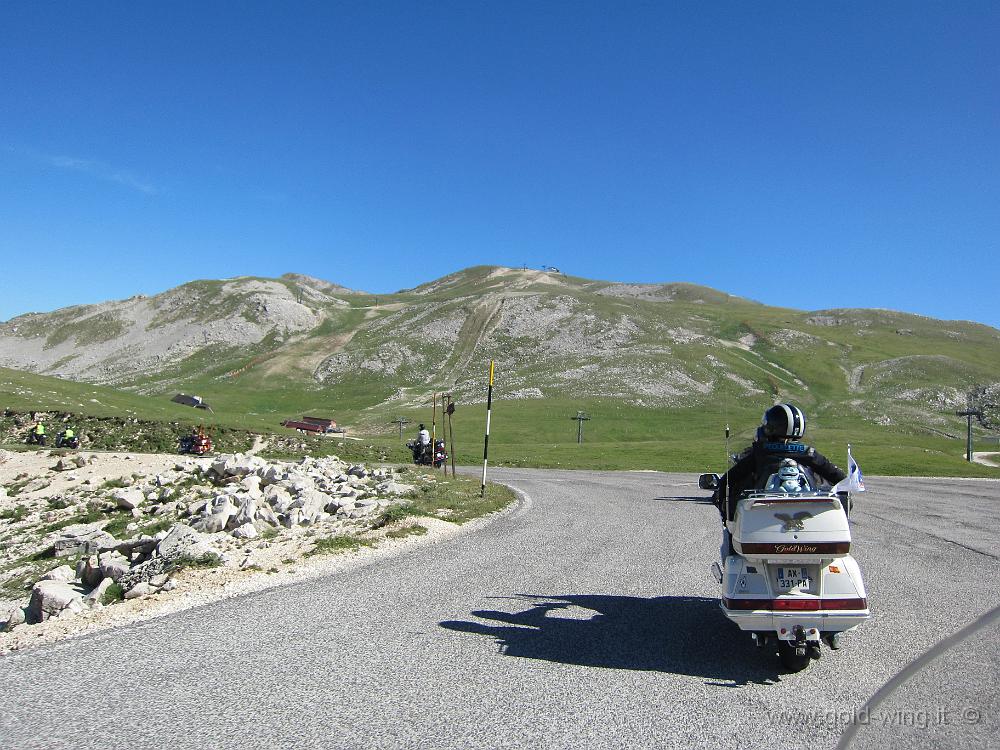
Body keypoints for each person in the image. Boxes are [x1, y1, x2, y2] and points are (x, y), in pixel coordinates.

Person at [715, 403, 846, 524]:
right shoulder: (809, 453)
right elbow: (840, 478)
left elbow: (727, 481)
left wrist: (726, 514)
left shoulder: (760, 453)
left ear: (771, 426)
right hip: (808, 513)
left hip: (762, 514)